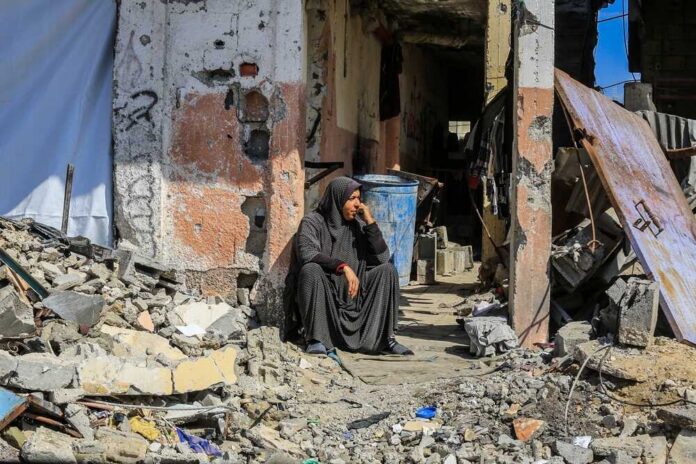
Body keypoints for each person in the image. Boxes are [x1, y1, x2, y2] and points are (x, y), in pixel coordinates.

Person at [294, 176, 413, 356]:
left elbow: (382, 258)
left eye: (359, 198)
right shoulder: (313, 222)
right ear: (337, 198)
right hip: (327, 305)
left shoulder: (357, 226)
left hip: (356, 303)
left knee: (387, 271)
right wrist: (343, 267)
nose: (358, 204)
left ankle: (386, 338)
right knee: (310, 270)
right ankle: (316, 339)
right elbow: (307, 254)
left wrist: (370, 222)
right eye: (352, 199)